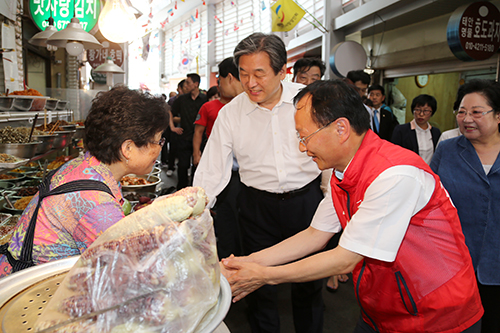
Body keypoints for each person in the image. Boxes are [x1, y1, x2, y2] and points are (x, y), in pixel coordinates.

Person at [222, 79, 483, 333]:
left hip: (436, 316)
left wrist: (263, 275)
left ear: (341, 129)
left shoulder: (394, 174)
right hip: (383, 309)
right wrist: (246, 262)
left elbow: (344, 259)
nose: (302, 147)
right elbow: (314, 235)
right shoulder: (342, 172)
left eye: (305, 136)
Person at [194, 33, 325, 333]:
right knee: (258, 287)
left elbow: (332, 152)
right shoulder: (231, 113)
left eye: (259, 74)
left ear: (282, 71)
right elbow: (212, 170)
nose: (250, 83)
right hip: (256, 208)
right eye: (243, 73)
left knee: (308, 286)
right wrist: (194, 211)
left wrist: (331, 195)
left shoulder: (309, 100)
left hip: (306, 203)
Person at [0, 86, 169, 277]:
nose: (160, 148)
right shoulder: (95, 204)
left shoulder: (85, 165)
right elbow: (127, 273)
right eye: (158, 141)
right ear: (128, 148)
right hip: (29, 292)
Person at [431, 79, 500, 333]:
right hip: (453, 264)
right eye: (461, 111)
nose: (466, 118)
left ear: (498, 116)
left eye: (476, 112)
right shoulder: (448, 150)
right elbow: (430, 200)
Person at [193, 57, 245, 258]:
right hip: (226, 181)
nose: (220, 86)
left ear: (229, 78)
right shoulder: (225, 110)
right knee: (226, 229)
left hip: (245, 182)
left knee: (242, 233)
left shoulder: (252, 107)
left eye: (220, 81)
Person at [171, 73, 207, 189]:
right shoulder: (181, 99)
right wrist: (172, 127)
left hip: (200, 139)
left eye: (188, 82)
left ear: (196, 84)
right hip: (184, 137)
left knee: (197, 167)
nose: (185, 85)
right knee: (182, 166)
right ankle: (181, 190)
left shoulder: (205, 100)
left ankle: (194, 190)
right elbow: (170, 111)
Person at [391, 94, 441, 164]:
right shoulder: (401, 130)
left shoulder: (436, 133)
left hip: (429, 172)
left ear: (432, 112)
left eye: (426, 111)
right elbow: (394, 154)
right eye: (418, 110)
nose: (421, 114)